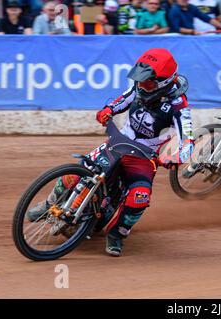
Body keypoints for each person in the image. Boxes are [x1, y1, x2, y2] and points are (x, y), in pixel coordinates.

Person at [27, 48, 195, 257]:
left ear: (162, 82)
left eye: (147, 82)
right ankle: (49, 203)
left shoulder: (180, 107)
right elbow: (121, 100)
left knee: (140, 197)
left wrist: (176, 157)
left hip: (144, 156)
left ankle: (117, 234)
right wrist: (108, 110)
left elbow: (188, 139)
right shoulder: (140, 87)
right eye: (140, 80)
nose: (141, 85)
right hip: (118, 142)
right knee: (79, 171)